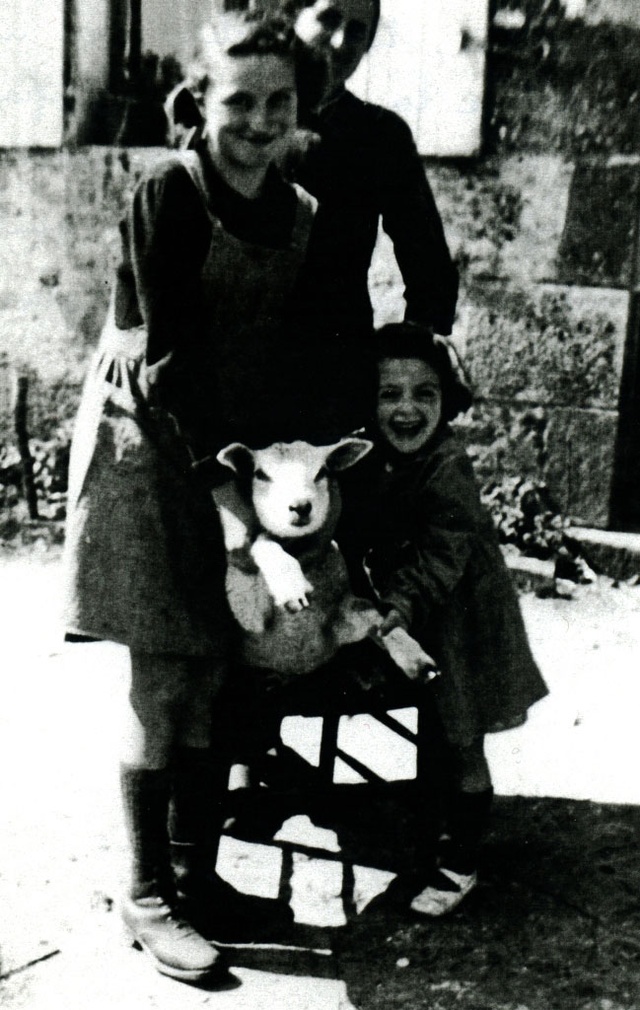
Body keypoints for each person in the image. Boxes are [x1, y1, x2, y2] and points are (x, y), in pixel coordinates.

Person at [63, 8, 315, 983]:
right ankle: (147, 894)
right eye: (237, 100)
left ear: (300, 108)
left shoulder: (296, 211)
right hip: (147, 452)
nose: (257, 120)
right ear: (198, 103)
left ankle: (195, 876)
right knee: (164, 677)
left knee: (215, 673)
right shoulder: (166, 194)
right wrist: (229, 507)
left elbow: (287, 355)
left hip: (230, 456)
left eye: (277, 102)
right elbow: (166, 365)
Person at [338, 323, 549, 916]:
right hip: (412, 605)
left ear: (445, 401)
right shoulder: (369, 457)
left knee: (459, 735)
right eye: (389, 395)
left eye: (423, 394)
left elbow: (439, 558)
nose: (407, 410)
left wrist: (393, 613)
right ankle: (432, 826)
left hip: (462, 612)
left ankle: (460, 862)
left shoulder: (447, 465)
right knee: (432, 720)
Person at [291, 0, 459, 340]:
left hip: (332, 358)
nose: (339, 42)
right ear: (293, 18)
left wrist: (411, 357)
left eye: (356, 32)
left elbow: (431, 271)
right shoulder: (240, 122)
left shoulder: (380, 134)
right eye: (328, 19)